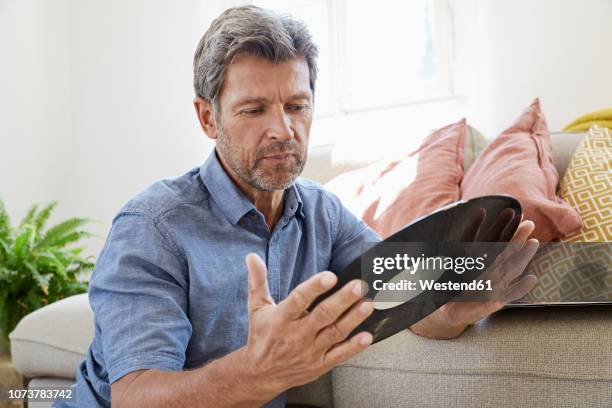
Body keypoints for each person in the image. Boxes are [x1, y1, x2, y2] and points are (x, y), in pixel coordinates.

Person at [53, 5, 538, 407]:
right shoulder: (153, 227)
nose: (283, 130)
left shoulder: (322, 212)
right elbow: (135, 397)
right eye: (254, 109)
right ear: (207, 117)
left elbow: (396, 295)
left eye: (297, 106)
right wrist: (257, 371)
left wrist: (451, 311)